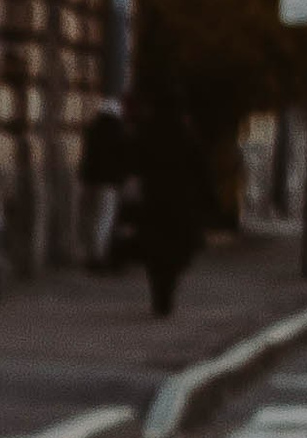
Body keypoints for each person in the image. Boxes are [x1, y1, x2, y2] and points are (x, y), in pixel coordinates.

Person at [128, 99, 210, 321]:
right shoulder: (187, 138)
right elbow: (201, 172)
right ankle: (166, 293)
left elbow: (135, 162)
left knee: (156, 253)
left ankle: (160, 294)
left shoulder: (150, 135)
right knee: (175, 252)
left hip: (155, 202)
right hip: (180, 205)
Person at [77, 98, 131, 267]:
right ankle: (98, 255)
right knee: (103, 218)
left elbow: (86, 156)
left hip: (91, 180)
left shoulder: (92, 130)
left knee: (89, 217)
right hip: (109, 182)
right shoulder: (119, 132)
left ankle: (88, 251)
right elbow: (124, 158)